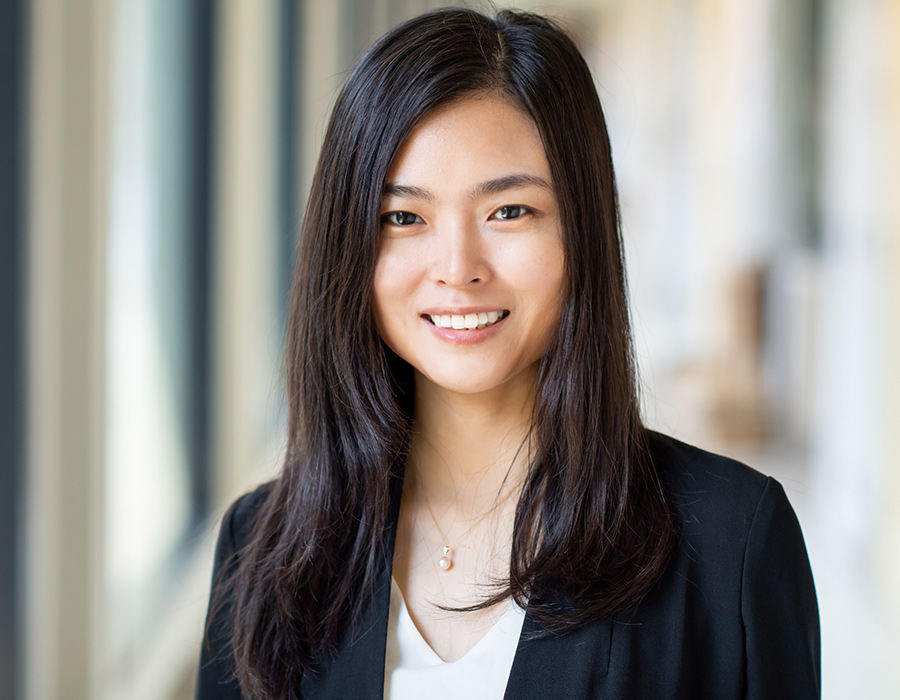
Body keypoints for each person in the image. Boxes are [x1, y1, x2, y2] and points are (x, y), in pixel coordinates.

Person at [196, 8, 820, 700]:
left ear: (581, 232)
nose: (458, 267)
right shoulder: (262, 549)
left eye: (509, 212)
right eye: (404, 218)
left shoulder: (733, 542)